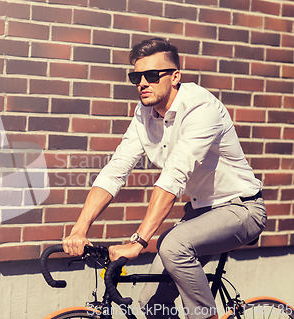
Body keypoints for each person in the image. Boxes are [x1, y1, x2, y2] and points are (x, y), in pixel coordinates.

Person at [62, 38, 267, 319]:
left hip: (242, 208)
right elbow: (115, 170)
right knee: (152, 305)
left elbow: (174, 176)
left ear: (175, 77)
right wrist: (79, 228)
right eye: (136, 77)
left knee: (172, 245)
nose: (142, 83)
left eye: (151, 75)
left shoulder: (200, 108)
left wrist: (138, 240)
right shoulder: (144, 115)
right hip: (199, 213)